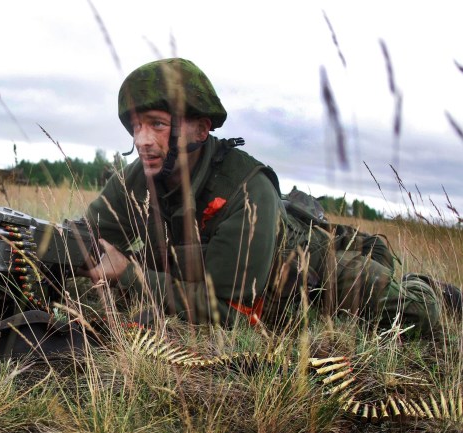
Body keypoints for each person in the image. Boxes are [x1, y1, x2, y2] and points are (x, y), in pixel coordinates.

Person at [80, 57, 448, 336]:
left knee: (416, 314)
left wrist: (130, 275)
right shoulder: (138, 176)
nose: (142, 140)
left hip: (309, 272)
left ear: (201, 129)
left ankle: (425, 286)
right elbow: (83, 238)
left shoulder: (247, 188)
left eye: (157, 124)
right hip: (204, 273)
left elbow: (233, 313)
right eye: (136, 127)